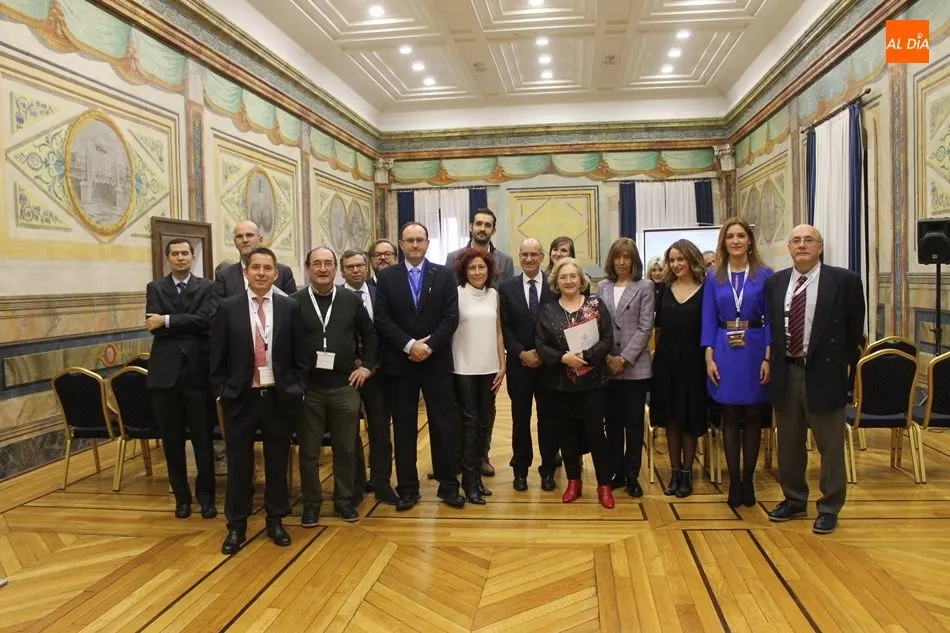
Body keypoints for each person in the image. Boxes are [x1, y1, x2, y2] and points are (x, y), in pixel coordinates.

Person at [765, 225, 864, 535]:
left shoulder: (844, 281)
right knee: (790, 443)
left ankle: (830, 505)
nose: (802, 245)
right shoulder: (776, 283)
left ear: (820, 247)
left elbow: (853, 333)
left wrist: (842, 372)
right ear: (789, 248)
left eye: (809, 240)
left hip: (824, 371)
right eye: (796, 240)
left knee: (830, 444)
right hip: (786, 372)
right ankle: (794, 499)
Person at [210, 247, 309, 554]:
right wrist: (222, 392)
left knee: (277, 464)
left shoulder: (289, 307)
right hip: (241, 398)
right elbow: (216, 358)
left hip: (278, 399)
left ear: (276, 273)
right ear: (246, 272)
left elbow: (301, 355)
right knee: (239, 465)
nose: (262, 273)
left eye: (268, 268)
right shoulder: (228, 308)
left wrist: (298, 387)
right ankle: (236, 527)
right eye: (256, 268)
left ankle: (275, 521)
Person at [374, 222, 465, 510]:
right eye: (409, 240)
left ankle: (448, 486)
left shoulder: (445, 274)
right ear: (400, 245)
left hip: (435, 362)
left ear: (427, 244)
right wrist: (408, 345)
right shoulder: (386, 277)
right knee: (403, 428)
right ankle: (408, 488)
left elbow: (451, 316)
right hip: (400, 364)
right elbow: (382, 318)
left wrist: (429, 345)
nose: (415, 245)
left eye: (420, 240)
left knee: (443, 425)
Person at [293, 247, 379, 527]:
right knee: (309, 451)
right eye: (316, 263)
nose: (322, 268)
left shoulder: (349, 300)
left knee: (346, 449)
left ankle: (344, 501)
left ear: (335, 269)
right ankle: (312, 504)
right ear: (308, 268)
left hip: (344, 386)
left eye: (328, 263)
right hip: (309, 391)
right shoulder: (294, 303)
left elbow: (369, 334)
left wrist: (366, 366)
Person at [701, 217, 772, 508]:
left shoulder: (765, 274)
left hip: (755, 345)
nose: (736, 241)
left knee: (754, 417)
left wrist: (768, 356)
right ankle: (733, 481)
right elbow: (707, 318)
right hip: (724, 346)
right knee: (729, 416)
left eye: (741, 235)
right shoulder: (714, 276)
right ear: (724, 242)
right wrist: (708, 356)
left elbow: (772, 319)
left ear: (749, 240)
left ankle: (748, 481)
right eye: (730, 236)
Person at [145, 238, 218, 519]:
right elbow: (152, 325)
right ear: (167, 258)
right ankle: (182, 499)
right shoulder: (155, 287)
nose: (180, 258)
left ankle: (207, 497)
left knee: (203, 441)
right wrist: (169, 322)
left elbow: (206, 320)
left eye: (185, 253)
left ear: (192, 257)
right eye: (174, 254)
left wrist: (167, 320)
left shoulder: (207, 287)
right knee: (172, 442)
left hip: (198, 374)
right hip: (165, 377)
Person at [535, 258, 616, 509]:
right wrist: (562, 358)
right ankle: (573, 482)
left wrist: (586, 357)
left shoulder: (595, 305)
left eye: (573, 276)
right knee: (566, 434)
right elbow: (540, 344)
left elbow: (607, 338)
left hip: (593, 382)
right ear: (556, 283)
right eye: (563, 277)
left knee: (595, 432)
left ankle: (604, 484)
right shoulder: (548, 310)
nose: (569, 281)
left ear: (581, 280)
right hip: (560, 383)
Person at [446, 208, 514, 477]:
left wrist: (502, 358)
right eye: (478, 223)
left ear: (493, 230)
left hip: (488, 347)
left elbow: (503, 305)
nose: (482, 228)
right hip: (461, 348)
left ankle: (482, 455)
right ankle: (458, 457)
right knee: (461, 410)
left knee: (486, 409)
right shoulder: (452, 258)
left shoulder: (505, 261)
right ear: (471, 226)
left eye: (488, 225)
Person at [340, 249, 399, 505]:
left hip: (378, 372)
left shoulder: (381, 294)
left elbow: (389, 332)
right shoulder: (334, 296)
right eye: (349, 266)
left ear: (367, 267)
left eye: (359, 265)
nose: (355, 270)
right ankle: (355, 484)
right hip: (344, 376)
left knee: (379, 430)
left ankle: (382, 481)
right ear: (342, 270)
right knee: (348, 433)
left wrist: (372, 364)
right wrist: (351, 365)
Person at [499, 238, 558, 492]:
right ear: (519, 257)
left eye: (535, 254)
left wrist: (543, 354)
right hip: (519, 365)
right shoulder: (506, 287)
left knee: (549, 419)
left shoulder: (555, 287)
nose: (530, 259)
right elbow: (505, 326)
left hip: (549, 366)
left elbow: (560, 325)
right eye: (525, 254)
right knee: (519, 420)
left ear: (542, 257)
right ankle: (520, 470)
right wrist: (521, 353)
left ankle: (548, 470)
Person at [596, 238, 653, 498]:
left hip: (635, 368)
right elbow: (596, 326)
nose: (622, 262)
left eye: (627, 257)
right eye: (617, 257)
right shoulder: (602, 287)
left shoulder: (645, 286)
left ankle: (632, 475)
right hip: (607, 367)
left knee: (633, 424)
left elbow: (645, 328)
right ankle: (617, 472)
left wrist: (624, 359)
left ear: (634, 260)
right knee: (613, 423)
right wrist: (608, 357)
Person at [651, 240, 708, 498]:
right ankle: (674, 472)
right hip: (666, 362)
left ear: (691, 259)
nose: (675, 264)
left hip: (694, 363)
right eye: (672, 260)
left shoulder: (706, 288)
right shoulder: (664, 288)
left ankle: (687, 473)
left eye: (680, 259)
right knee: (671, 419)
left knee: (689, 419)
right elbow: (659, 327)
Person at [451, 248, 506, 504]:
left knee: (484, 423)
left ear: (489, 270)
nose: (477, 272)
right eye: (472, 268)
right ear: (464, 270)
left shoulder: (494, 294)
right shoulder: (456, 294)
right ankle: (468, 481)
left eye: (481, 267)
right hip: (463, 367)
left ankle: (477, 479)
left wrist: (502, 365)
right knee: (470, 425)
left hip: (489, 368)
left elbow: (497, 332)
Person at [215, 220, 297, 297]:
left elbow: (293, 307)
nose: (245, 240)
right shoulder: (224, 276)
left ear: (260, 240)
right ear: (235, 243)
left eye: (249, 235)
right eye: (239, 236)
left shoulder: (284, 273)